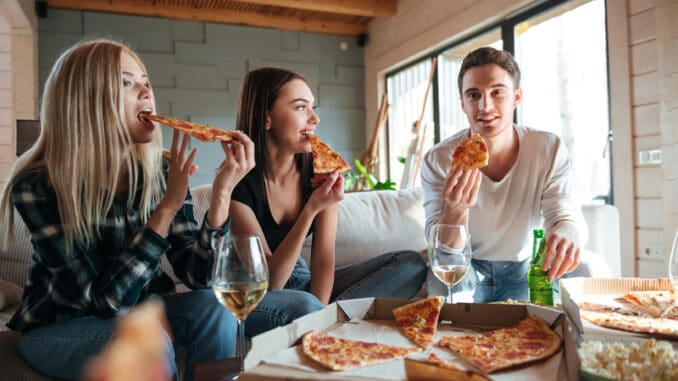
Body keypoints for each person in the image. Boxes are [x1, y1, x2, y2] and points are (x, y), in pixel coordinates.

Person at [0, 39, 255, 381]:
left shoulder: (162, 172)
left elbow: (199, 277)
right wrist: (166, 210)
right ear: (85, 98)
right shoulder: (38, 185)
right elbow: (104, 302)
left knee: (216, 308)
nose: (147, 91)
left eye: (147, 82)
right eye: (127, 82)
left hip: (140, 311)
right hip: (61, 326)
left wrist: (223, 194)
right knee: (146, 339)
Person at [230, 67, 428, 336]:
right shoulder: (239, 183)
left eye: (313, 107)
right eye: (301, 108)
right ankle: (333, 325)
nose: (314, 118)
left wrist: (320, 315)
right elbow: (272, 282)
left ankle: (325, 328)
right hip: (258, 297)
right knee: (304, 303)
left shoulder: (320, 169)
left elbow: (323, 258)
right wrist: (311, 209)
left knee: (410, 265)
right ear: (267, 118)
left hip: (304, 283)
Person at [421, 47, 588, 303]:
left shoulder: (548, 148)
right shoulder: (440, 159)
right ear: (462, 103)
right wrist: (454, 211)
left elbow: (564, 214)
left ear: (516, 97)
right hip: (466, 268)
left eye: (497, 92)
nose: (484, 106)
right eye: (474, 95)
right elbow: (443, 251)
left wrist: (568, 230)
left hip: (526, 268)